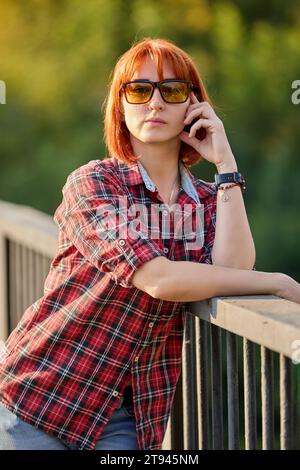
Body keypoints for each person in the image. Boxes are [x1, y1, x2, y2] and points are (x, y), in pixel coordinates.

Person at [0, 37, 300, 452]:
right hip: (39, 400)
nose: (155, 104)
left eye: (172, 90)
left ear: (194, 107)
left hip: (125, 416)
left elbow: (235, 269)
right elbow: (158, 278)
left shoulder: (210, 201)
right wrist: (281, 282)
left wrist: (226, 164)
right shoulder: (94, 183)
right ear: (120, 106)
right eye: (139, 90)